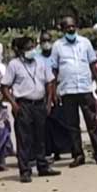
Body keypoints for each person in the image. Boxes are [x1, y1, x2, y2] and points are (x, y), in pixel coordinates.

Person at [1, 36, 61, 183]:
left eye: (33, 47)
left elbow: (50, 82)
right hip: (24, 104)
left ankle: (43, 166)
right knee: (24, 139)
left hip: (40, 104)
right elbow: (4, 87)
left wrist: (48, 103)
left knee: (41, 137)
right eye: (28, 48)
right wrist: (14, 104)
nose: (31, 51)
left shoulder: (40, 61)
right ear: (20, 50)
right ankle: (25, 170)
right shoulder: (14, 65)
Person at [50, 15, 97, 167]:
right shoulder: (57, 46)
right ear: (62, 29)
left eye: (72, 26)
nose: (70, 29)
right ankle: (78, 155)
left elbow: (92, 64)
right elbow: (54, 69)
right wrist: (53, 90)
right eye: (67, 27)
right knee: (72, 125)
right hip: (67, 90)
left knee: (92, 122)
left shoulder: (85, 42)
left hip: (85, 88)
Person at [36, 31, 72, 160]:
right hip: (43, 93)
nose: (46, 44)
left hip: (59, 90)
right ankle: (48, 151)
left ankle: (64, 149)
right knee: (46, 124)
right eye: (43, 41)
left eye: (48, 40)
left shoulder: (57, 55)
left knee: (62, 121)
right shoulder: (36, 58)